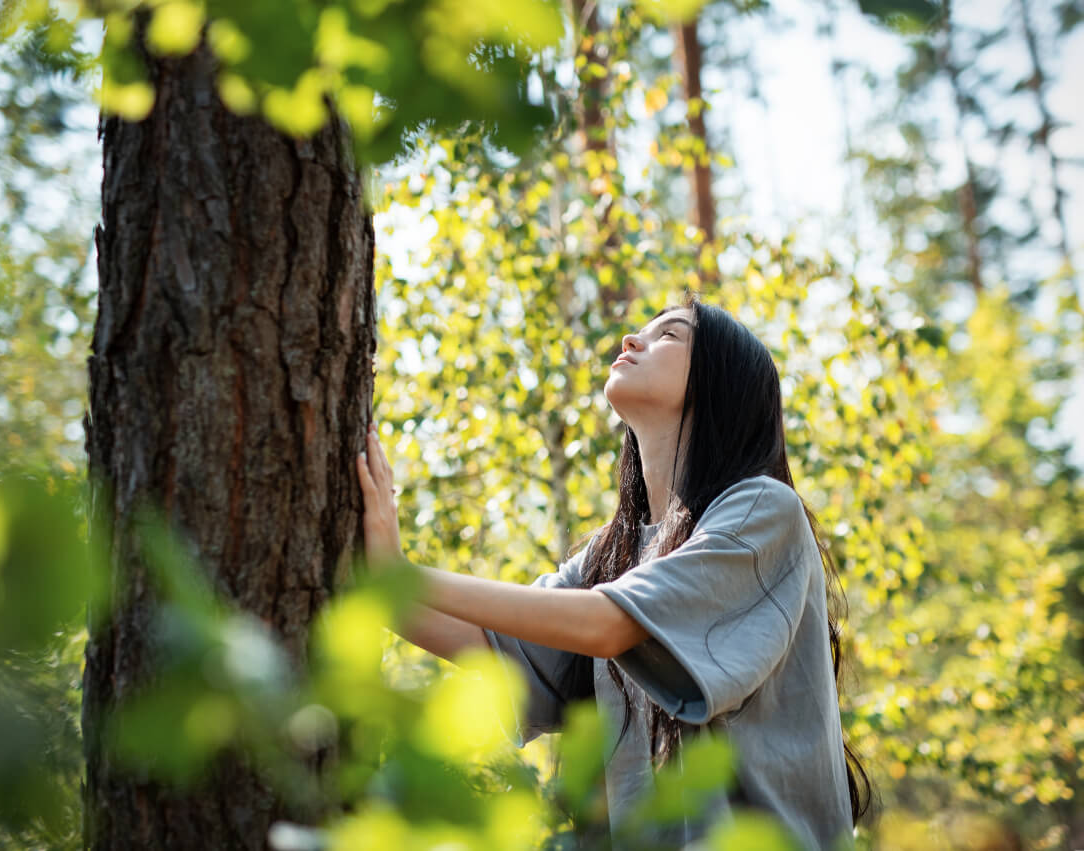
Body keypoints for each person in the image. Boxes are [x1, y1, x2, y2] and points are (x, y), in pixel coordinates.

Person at [356, 293, 871, 849]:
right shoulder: (615, 554)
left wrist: (401, 573)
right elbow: (488, 643)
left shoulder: (764, 511)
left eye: (669, 334)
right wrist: (369, 580)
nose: (631, 339)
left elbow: (610, 625)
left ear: (721, 383)